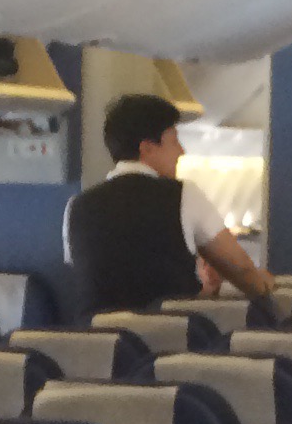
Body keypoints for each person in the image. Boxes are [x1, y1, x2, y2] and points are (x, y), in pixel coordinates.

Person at [62, 93, 277, 320]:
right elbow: (240, 268)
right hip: (168, 336)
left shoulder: (75, 207)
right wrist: (268, 291)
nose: (181, 151)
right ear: (147, 148)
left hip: (99, 337)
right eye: (174, 141)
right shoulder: (183, 195)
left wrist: (205, 291)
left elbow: (104, 283)